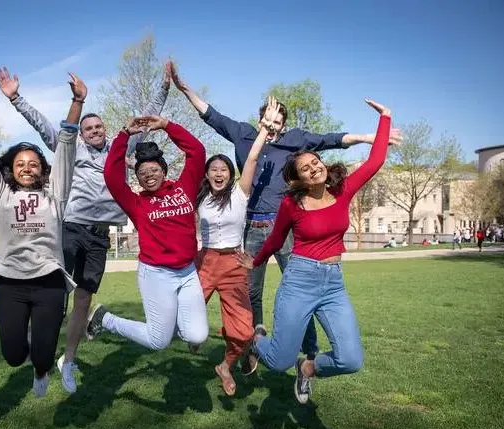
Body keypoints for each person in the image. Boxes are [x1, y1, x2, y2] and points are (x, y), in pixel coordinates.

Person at [170, 63, 403, 385]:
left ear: (285, 124)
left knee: (300, 297)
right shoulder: (243, 135)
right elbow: (211, 114)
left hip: (295, 226)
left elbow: (331, 140)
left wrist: (368, 136)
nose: (275, 127)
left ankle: (308, 353)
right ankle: (255, 340)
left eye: (279, 122)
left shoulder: (296, 143)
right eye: (270, 120)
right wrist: (184, 89)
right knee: (251, 291)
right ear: (261, 118)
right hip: (252, 226)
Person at [0, 64, 171, 393]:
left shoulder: (120, 152)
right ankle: (32, 337)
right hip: (71, 229)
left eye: (98, 126)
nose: (94, 131)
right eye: (88, 127)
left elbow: (144, 122)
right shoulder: (69, 151)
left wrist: (163, 88)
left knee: (84, 301)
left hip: (100, 235)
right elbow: (46, 126)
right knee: (55, 292)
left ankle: (69, 360)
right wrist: (15, 98)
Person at [237, 98, 394, 404]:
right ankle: (256, 341)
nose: (314, 168)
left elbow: (375, 161)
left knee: (351, 360)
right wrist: (253, 260)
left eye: (315, 163)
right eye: (305, 168)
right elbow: (273, 241)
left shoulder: (343, 190)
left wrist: (385, 118)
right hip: (299, 281)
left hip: (333, 284)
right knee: (279, 361)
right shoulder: (290, 205)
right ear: (297, 179)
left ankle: (308, 367)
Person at [0, 74, 82, 399]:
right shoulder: (0, 196)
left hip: (49, 283)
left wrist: (77, 103)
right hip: (10, 283)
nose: (27, 168)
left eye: (33, 163)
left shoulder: (55, 195)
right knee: (14, 355)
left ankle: (42, 369)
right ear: (12, 169)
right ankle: (31, 353)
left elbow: (67, 148)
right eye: (20, 164)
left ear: (43, 169)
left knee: (43, 357)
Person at [86, 115, 208, 352]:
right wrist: (124, 134)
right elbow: (111, 175)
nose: (149, 175)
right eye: (142, 173)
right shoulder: (136, 203)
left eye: (154, 170)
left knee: (198, 335)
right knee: (158, 341)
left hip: (187, 272)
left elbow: (197, 151)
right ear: (138, 178)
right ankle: (106, 319)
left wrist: (167, 126)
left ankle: (169, 321)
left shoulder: (184, 188)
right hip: (156, 274)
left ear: (163, 170)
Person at [190, 97, 282, 395]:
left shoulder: (241, 194)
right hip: (203, 263)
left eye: (224, 170)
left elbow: (253, 159)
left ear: (231, 174)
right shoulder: (198, 196)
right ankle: (195, 334)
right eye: (213, 169)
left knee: (243, 332)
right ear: (206, 174)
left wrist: (265, 130)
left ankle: (225, 366)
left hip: (233, 263)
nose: (218, 173)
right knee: (186, 319)